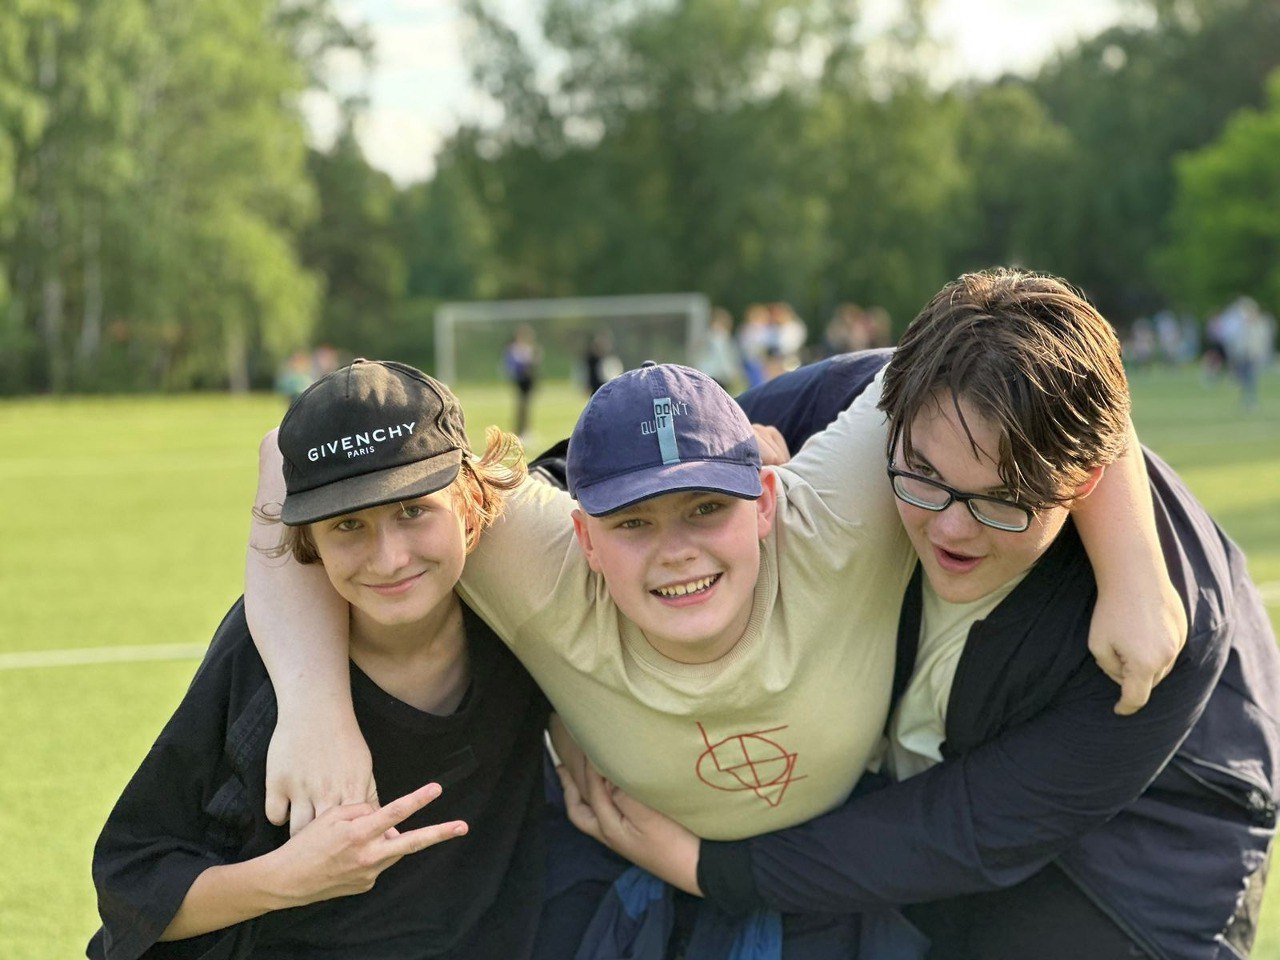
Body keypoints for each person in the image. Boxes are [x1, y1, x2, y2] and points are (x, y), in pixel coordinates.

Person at [246, 349, 1182, 957]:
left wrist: (1134, 566)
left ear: (767, 499)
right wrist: (314, 707)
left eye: (706, 508)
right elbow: (287, 463)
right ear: (582, 532)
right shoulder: (534, 555)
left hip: (837, 877)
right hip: (623, 876)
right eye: (633, 521)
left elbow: (1038, 348)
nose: (677, 551)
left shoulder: (835, 513)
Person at [556, 269, 1280, 960]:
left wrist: (708, 868)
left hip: (1136, 869)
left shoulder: (1153, 638)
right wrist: (575, 696)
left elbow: (968, 830)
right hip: (913, 792)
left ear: (1082, 484)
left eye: (1003, 499)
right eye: (924, 476)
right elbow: (609, 464)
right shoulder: (887, 402)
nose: (952, 529)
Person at [89, 359, 548, 960]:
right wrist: (289, 878)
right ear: (308, 542)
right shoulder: (265, 657)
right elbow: (131, 884)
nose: (389, 559)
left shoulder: (516, 613)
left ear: (468, 503)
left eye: (413, 510)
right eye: (348, 524)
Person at [504, 325, 541, 437]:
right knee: (521, 406)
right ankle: (520, 430)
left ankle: (526, 429)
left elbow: (534, 364)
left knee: (527, 406)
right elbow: (514, 365)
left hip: (529, 381)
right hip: (520, 380)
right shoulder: (514, 349)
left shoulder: (530, 349)